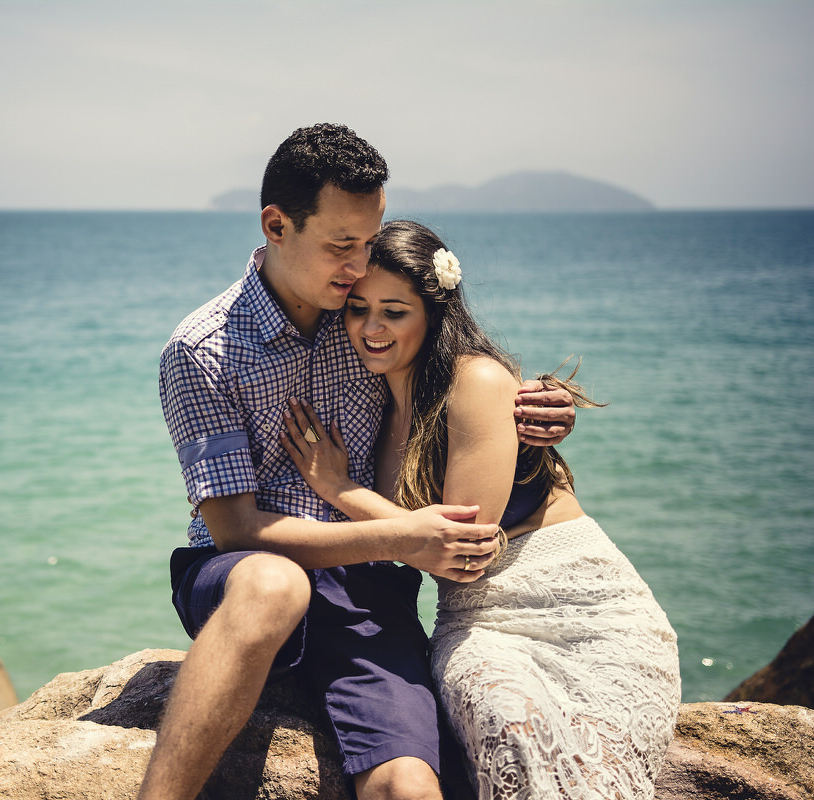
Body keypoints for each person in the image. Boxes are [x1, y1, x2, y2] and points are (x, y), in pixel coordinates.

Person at [143, 124, 577, 800]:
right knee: (274, 586)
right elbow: (235, 530)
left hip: (368, 596)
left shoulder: (366, 320)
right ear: (277, 225)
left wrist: (532, 408)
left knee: (408, 786)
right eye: (340, 245)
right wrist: (405, 535)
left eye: (367, 243)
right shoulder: (201, 351)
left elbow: (455, 374)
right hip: (238, 577)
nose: (356, 265)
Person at [280, 220, 681, 799]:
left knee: (520, 729)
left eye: (394, 312)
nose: (370, 328)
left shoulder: (476, 379)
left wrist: (338, 488)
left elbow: (463, 547)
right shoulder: (374, 396)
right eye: (358, 308)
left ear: (433, 311)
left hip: (582, 607)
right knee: (494, 706)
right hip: (473, 617)